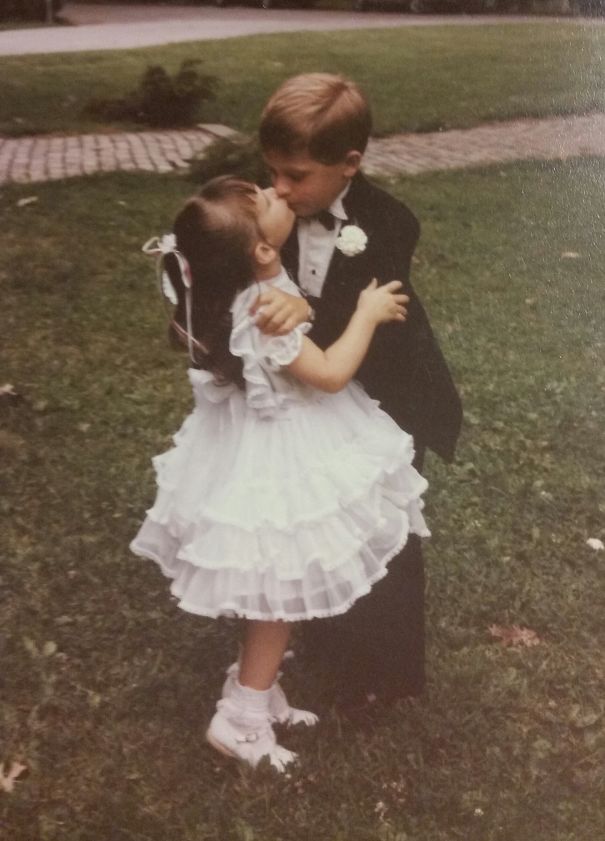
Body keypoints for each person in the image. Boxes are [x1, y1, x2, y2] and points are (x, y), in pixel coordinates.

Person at [130, 175, 430, 771]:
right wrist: (367, 314)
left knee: (275, 587)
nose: (276, 192)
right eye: (265, 200)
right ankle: (240, 719)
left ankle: (259, 692)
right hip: (284, 457)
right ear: (263, 250)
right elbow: (331, 373)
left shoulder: (239, 285)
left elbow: (276, 295)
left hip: (245, 446)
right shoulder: (269, 313)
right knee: (276, 593)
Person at [253, 73, 462, 710]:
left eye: (296, 176)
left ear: (350, 164)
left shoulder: (389, 223)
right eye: (273, 173)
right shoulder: (269, 208)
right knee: (316, 514)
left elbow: (367, 314)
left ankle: (387, 673)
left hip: (385, 392)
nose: (280, 190)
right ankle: (319, 627)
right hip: (314, 392)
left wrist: (297, 304)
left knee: (385, 526)